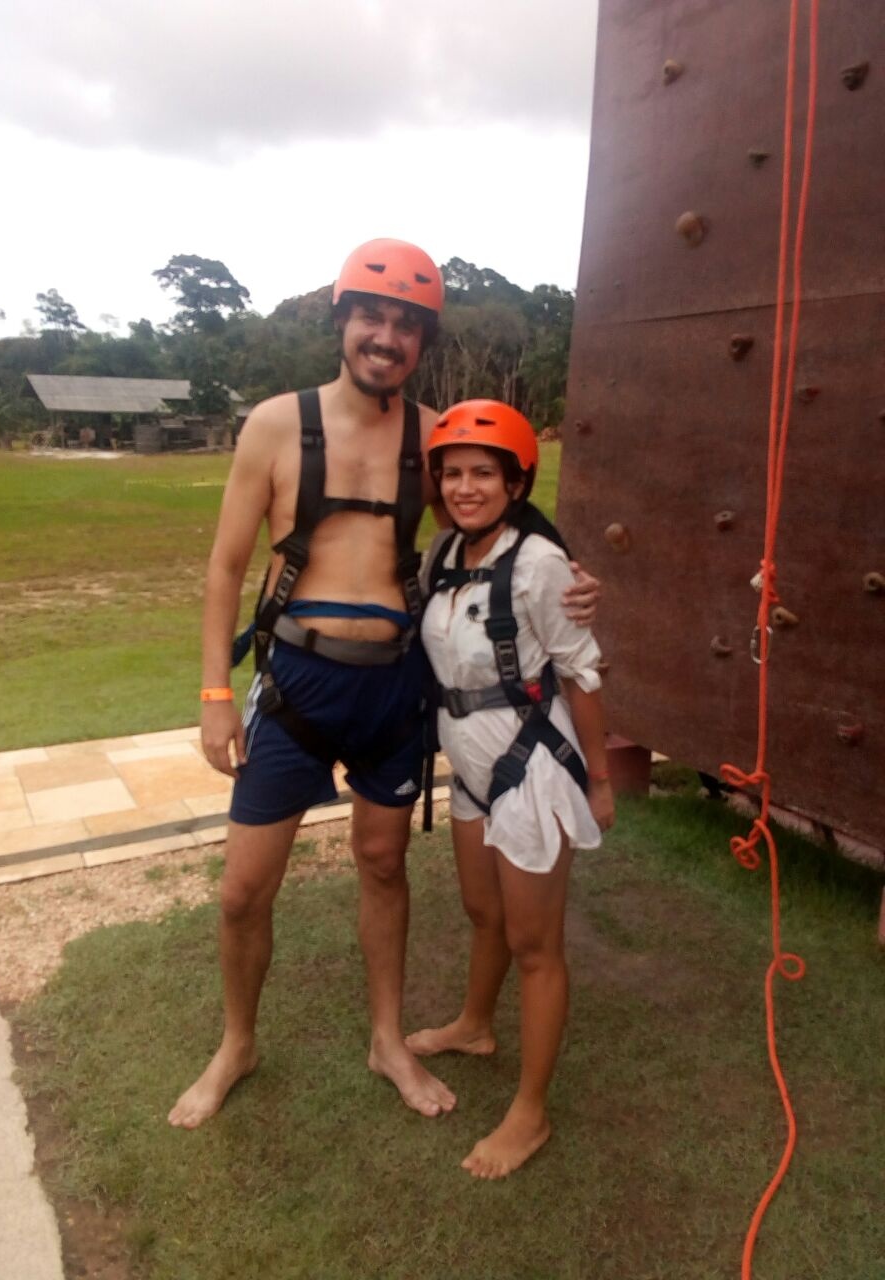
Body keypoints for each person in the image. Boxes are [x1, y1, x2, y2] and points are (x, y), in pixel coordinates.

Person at [168, 240, 600, 1129]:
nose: (387, 335)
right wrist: (216, 695)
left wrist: (575, 577)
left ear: (422, 341)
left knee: (382, 863)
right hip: (294, 684)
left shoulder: (436, 434)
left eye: (408, 324)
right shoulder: (276, 425)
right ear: (342, 319)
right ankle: (238, 1042)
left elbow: (498, 521)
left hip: (392, 690)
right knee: (244, 888)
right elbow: (223, 568)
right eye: (372, 315)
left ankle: (387, 1039)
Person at [408, 399, 615, 1178]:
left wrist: (598, 779)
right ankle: (473, 1023)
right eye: (453, 473)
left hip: (530, 769)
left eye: (483, 474)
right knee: (481, 910)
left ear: (516, 479)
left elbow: (582, 671)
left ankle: (530, 1113)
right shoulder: (444, 556)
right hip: (467, 765)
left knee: (535, 946)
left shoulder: (538, 564)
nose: (465, 487)